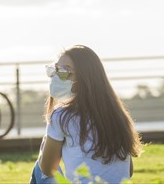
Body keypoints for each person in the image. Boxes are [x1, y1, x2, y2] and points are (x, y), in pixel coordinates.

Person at [30, 45, 142, 184]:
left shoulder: (61, 116)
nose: (55, 77)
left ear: (85, 78)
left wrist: (45, 146)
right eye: (54, 70)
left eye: (64, 72)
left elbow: (47, 170)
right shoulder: (118, 116)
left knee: (39, 168)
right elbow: (128, 172)